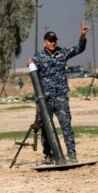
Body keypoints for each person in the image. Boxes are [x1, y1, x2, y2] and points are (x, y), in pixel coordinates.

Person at [27, 23, 89, 164]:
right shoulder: (39, 57)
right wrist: (29, 63)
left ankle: (72, 154)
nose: (53, 43)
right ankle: (49, 155)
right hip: (46, 99)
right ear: (45, 42)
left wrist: (82, 35)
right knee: (46, 128)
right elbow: (32, 69)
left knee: (66, 126)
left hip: (61, 97)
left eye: (55, 40)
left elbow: (79, 48)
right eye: (50, 41)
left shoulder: (62, 53)